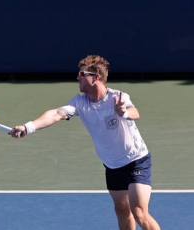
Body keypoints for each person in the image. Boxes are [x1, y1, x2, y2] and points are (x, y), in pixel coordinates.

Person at [9, 55, 161, 230]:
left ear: (95, 77)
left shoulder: (117, 97)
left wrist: (123, 113)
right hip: (112, 165)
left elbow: (134, 112)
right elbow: (56, 114)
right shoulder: (79, 102)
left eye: (81, 75)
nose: (77, 78)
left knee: (139, 212)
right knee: (121, 210)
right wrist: (28, 127)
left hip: (136, 161)